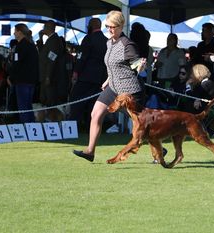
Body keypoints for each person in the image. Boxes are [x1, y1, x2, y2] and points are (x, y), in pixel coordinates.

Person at [72, 10, 147, 162]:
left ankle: (160, 149)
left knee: (140, 125)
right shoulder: (108, 42)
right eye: (108, 27)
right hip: (113, 87)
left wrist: (141, 66)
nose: (110, 30)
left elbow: (136, 64)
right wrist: (108, 79)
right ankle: (90, 151)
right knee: (96, 113)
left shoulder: (128, 44)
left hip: (129, 90)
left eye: (113, 27)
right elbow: (113, 65)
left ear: (121, 26)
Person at [68, 18, 108, 132]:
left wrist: (76, 72)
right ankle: (90, 128)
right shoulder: (106, 41)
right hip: (100, 78)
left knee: (76, 101)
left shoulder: (88, 39)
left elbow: (81, 57)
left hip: (86, 77)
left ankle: (73, 127)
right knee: (94, 104)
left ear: (90, 26)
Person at [9, 23, 39, 123]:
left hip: (22, 81)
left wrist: (11, 77)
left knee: (23, 107)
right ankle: (31, 127)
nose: (14, 33)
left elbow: (16, 64)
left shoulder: (20, 46)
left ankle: (26, 127)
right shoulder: (32, 46)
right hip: (31, 80)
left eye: (15, 31)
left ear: (20, 32)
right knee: (28, 106)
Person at [37, 20, 67, 109]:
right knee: (44, 99)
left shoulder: (54, 41)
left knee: (49, 100)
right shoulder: (50, 40)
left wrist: (48, 76)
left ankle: (51, 119)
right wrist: (40, 39)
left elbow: (51, 60)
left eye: (44, 27)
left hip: (49, 77)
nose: (42, 29)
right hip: (45, 75)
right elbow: (43, 54)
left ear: (47, 28)